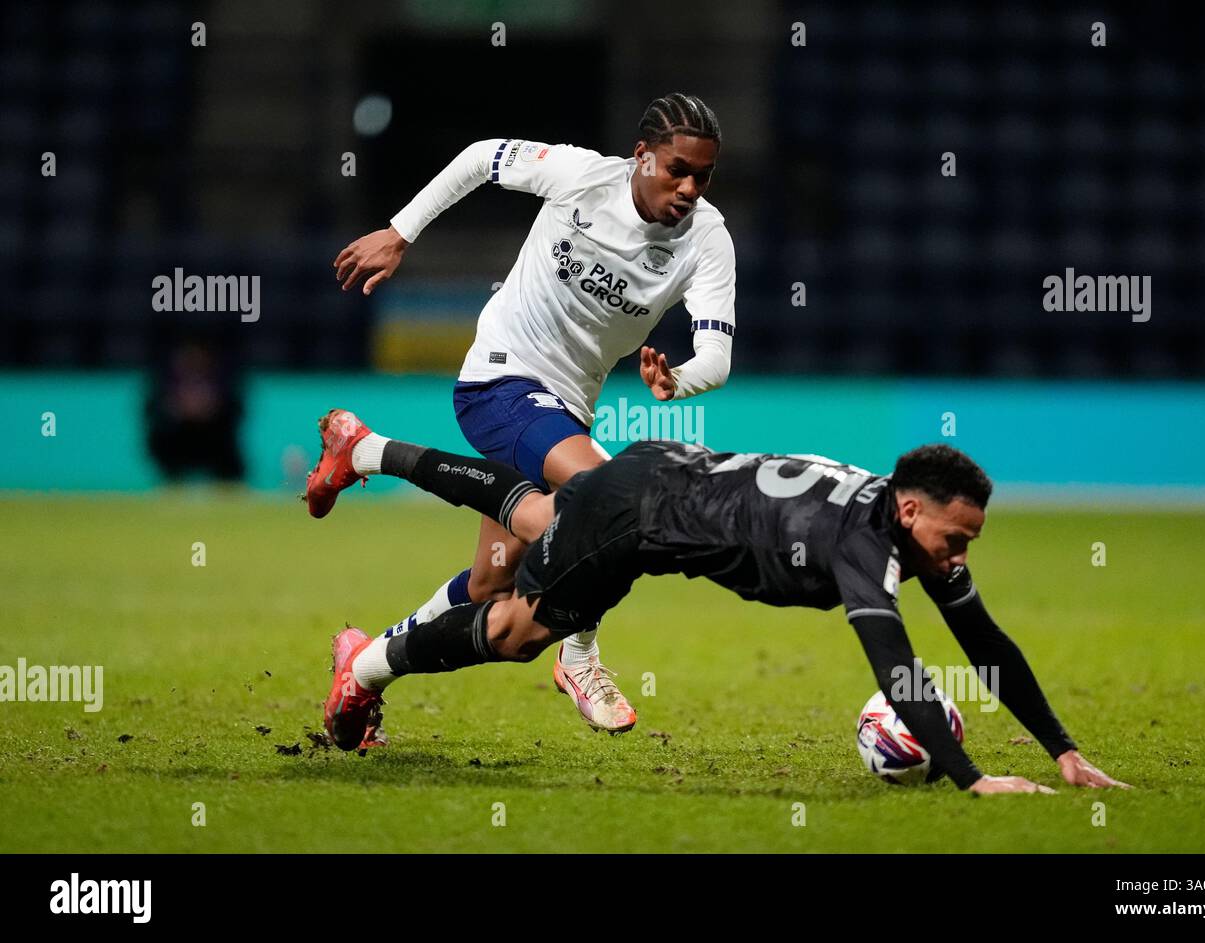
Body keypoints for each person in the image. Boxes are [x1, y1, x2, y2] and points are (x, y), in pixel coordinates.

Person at [317, 421, 1131, 794]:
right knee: (516, 629)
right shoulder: (867, 549)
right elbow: (897, 665)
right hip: (637, 521)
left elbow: (983, 637)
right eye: (956, 539)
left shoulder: (906, 525)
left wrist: (1061, 749)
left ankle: (369, 449)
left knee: (539, 516)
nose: (960, 558)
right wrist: (972, 778)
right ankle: (363, 666)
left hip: (662, 472)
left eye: (971, 543)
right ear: (912, 512)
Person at [311, 93, 736, 734]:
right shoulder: (581, 177)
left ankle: (365, 666)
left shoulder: (707, 237)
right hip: (501, 379)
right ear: (641, 155)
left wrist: (675, 380)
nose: (688, 187)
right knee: (605, 496)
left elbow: (717, 356)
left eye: (702, 176)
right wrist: (401, 233)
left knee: (490, 589)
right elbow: (483, 158)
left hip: (564, 414)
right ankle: (581, 654)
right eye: (676, 168)